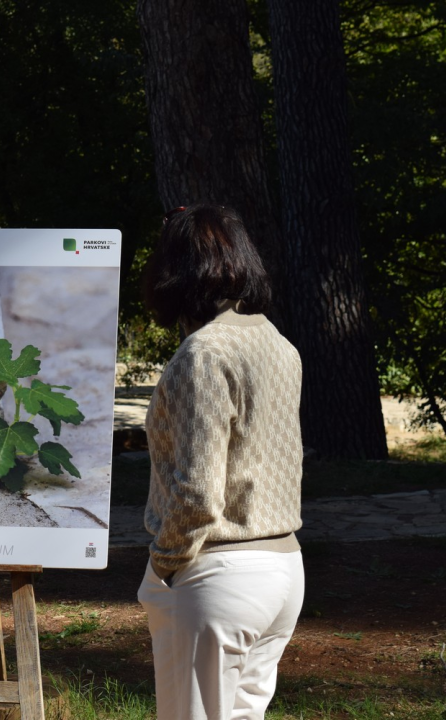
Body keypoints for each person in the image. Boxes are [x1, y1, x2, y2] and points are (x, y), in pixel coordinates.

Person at [137, 203, 305, 720]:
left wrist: (164, 565)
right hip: (283, 570)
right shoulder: (278, 343)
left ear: (174, 274)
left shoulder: (202, 354)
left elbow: (199, 492)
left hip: (217, 574)